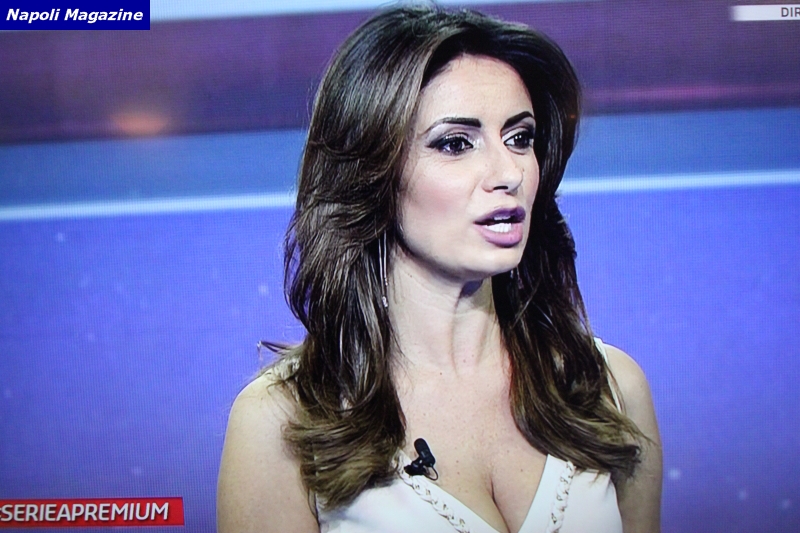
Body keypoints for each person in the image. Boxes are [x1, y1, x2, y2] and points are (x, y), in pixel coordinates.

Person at [217, 5, 661, 533]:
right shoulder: (283, 423)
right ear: (373, 173)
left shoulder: (609, 388)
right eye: (455, 144)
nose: (509, 172)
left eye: (520, 138)